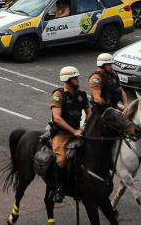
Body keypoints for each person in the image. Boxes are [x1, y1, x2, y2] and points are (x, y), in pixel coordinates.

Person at [50, 66, 91, 203]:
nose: (77, 80)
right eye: (75, 78)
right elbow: (57, 118)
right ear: (67, 80)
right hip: (62, 133)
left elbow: (89, 112)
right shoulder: (58, 95)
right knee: (61, 160)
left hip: (78, 130)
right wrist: (73, 131)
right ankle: (58, 188)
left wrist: (84, 127)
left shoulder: (82, 94)